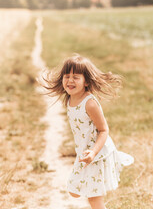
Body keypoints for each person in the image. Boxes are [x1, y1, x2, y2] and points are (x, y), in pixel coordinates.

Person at [41, 53, 134, 209]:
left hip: (96, 154)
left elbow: (103, 130)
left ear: (86, 82)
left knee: (93, 199)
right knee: (74, 191)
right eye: (67, 76)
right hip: (83, 153)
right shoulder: (70, 98)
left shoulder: (89, 103)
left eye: (76, 77)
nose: (70, 80)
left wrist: (93, 152)